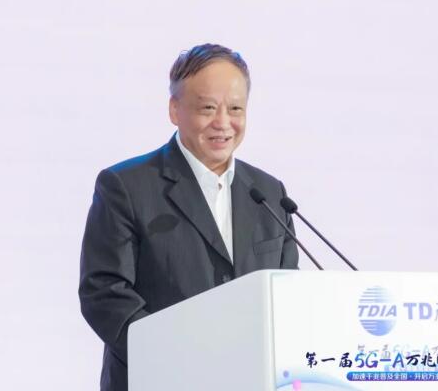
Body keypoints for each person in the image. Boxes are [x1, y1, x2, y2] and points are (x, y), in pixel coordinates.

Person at [79, 43, 299, 391]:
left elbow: (287, 294)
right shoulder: (126, 186)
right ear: (174, 109)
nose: (223, 123)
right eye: (208, 108)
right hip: (159, 380)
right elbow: (105, 293)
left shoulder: (269, 193)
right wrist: (177, 358)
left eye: (236, 108)